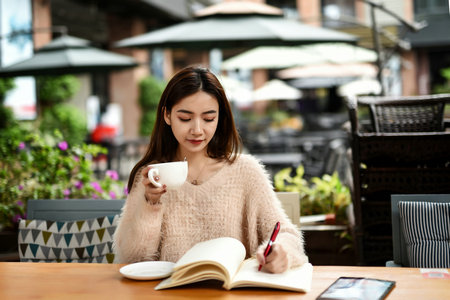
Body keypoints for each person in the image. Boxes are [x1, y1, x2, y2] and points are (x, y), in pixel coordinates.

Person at [113, 66, 308, 273]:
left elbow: (287, 235)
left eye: (208, 119)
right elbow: (132, 259)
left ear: (220, 118)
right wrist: (151, 204)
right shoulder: (152, 175)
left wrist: (280, 252)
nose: (197, 130)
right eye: (185, 118)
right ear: (167, 115)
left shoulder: (246, 172)